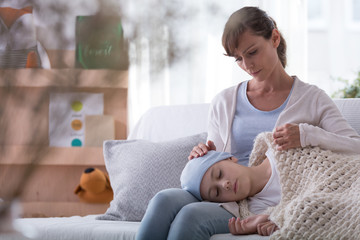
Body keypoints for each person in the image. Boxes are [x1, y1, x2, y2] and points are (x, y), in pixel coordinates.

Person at [136, 6, 360, 240]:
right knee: (163, 200)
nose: (247, 65)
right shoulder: (224, 101)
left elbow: (355, 146)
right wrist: (203, 154)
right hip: (222, 192)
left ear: (274, 38)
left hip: (254, 206)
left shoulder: (312, 99)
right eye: (239, 59)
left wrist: (307, 135)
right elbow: (218, 160)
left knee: (190, 217)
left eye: (252, 52)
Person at [181, 150, 279, 236]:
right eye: (216, 192)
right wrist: (273, 224)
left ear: (230, 158)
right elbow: (288, 222)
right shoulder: (256, 210)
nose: (225, 185)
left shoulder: (281, 147)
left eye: (219, 174)